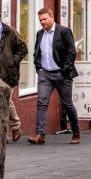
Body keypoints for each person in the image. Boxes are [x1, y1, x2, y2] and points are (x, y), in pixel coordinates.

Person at [29, 8, 80, 145]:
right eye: (40, 20)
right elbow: (37, 51)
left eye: (45, 19)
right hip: (45, 73)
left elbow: (71, 52)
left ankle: (76, 133)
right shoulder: (40, 34)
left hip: (61, 73)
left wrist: (65, 70)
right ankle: (40, 134)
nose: (42, 22)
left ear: (52, 17)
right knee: (42, 102)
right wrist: (38, 67)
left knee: (67, 104)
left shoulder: (64, 31)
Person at [0, 20, 28, 142]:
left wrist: (13, 61)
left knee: (7, 100)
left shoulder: (9, 31)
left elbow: (23, 48)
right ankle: (5, 133)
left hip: (7, 73)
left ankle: (15, 127)